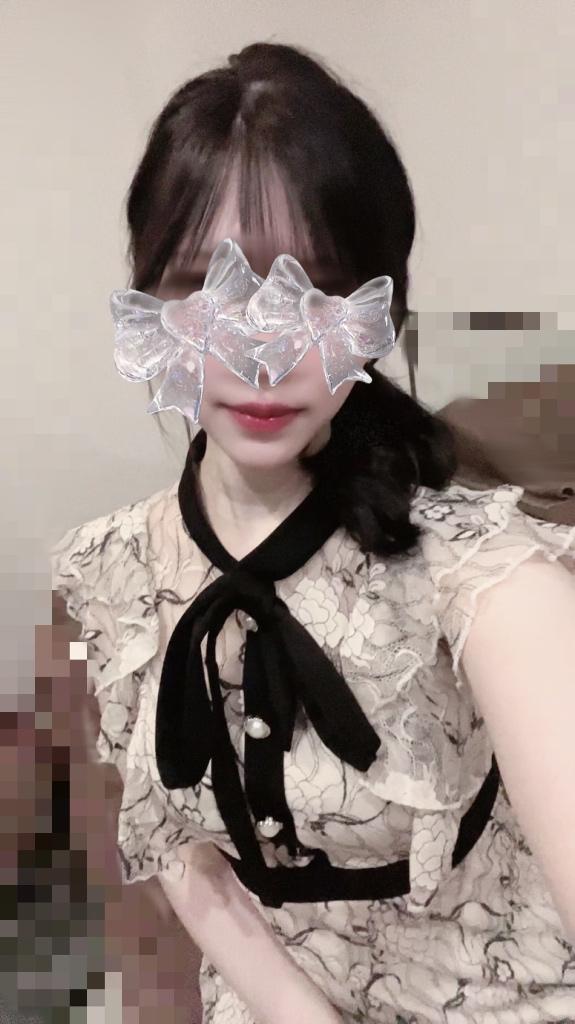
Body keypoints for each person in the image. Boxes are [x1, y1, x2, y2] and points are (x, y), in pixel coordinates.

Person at [51, 42, 575, 1024]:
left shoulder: (482, 574)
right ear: (148, 304)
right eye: (207, 287)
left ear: (378, 309)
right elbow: (179, 851)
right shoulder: (111, 567)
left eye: (317, 290)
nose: (264, 352)